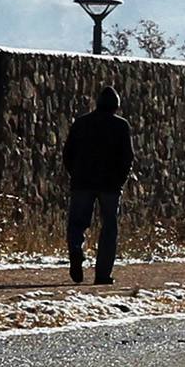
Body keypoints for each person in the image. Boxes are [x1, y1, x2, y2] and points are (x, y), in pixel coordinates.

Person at [62, 86, 134, 285]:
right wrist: (120, 180)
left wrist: (75, 174)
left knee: (77, 223)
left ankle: (76, 248)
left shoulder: (81, 123)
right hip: (110, 185)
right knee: (109, 228)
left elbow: (68, 153)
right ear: (116, 106)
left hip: (82, 182)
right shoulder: (121, 126)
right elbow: (128, 157)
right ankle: (102, 274)